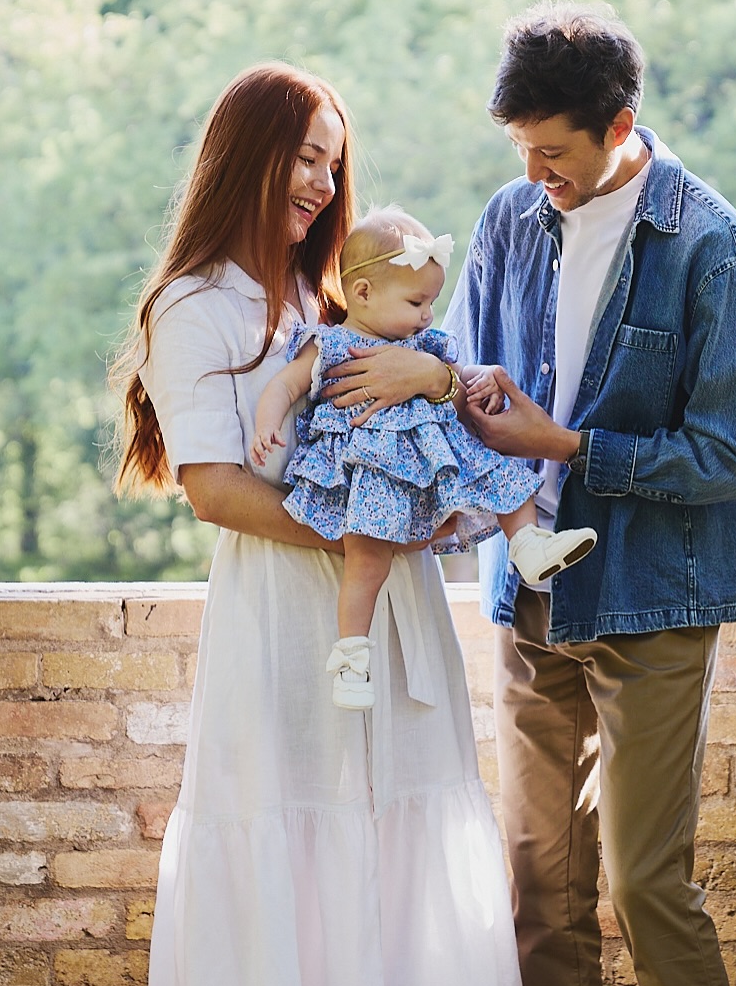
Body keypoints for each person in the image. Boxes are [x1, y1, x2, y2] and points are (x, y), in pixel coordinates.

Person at [115, 63, 524, 986]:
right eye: (303, 153)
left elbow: (441, 421)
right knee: (276, 865)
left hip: (393, 625)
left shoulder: (340, 290)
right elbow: (214, 486)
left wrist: (441, 449)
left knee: (407, 860)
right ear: (245, 154)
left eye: (334, 157)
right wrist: (365, 529)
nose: (323, 180)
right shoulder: (196, 304)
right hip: (283, 635)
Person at [445, 3, 736, 986]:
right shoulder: (506, 222)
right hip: (527, 599)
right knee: (544, 895)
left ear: (621, 127)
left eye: (557, 155)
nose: (538, 176)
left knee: (650, 885)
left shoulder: (713, 249)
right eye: (525, 150)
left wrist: (571, 448)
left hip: (652, 603)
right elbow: (480, 378)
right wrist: (472, 420)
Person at [251, 205, 597, 708]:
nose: (427, 315)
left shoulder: (424, 344)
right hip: (369, 473)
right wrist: (268, 423)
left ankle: (527, 545)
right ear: (364, 293)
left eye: (431, 302)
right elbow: (285, 385)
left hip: (431, 462)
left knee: (504, 475)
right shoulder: (329, 345)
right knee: (366, 562)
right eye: (417, 301)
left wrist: (477, 380)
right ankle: (351, 656)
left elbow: (458, 377)